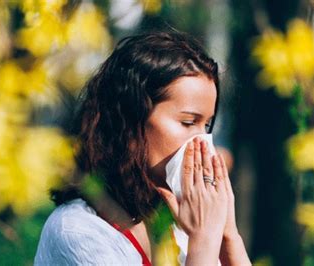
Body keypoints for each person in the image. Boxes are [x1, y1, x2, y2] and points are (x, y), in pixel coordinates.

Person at [34, 30, 251, 265]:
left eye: (206, 125)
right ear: (131, 119)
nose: (202, 142)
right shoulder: (77, 232)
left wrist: (228, 238)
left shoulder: (180, 225)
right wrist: (204, 240)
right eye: (188, 122)